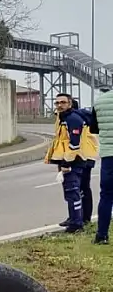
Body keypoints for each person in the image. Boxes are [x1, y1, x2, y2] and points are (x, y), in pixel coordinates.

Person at [46, 93, 98, 233]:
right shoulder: (61, 118)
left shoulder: (73, 119)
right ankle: (76, 218)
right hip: (73, 157)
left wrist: (67, 162)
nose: (59, 106)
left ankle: (80, 220)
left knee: (80, 189)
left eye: (63, 103)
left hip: (81, 157)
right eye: (57, 103)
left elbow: (74, 142)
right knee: (75, 190)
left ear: (70, 104)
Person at [92, 85, 113, 244]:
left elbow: (94, 128)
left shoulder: (99, 102)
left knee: (106, 195)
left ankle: (102, 235)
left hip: (108, 156)